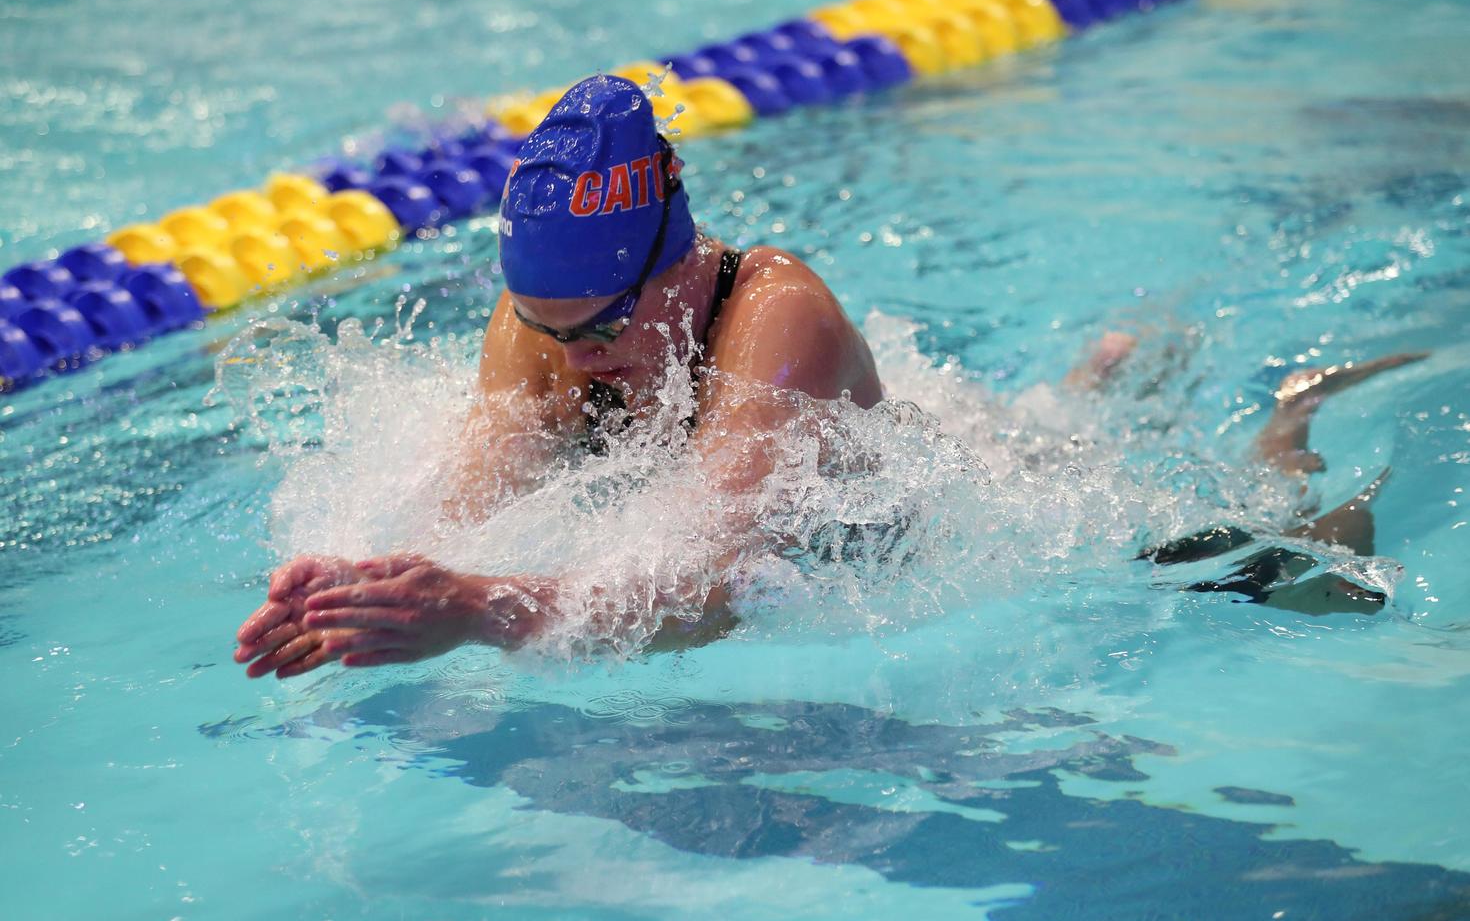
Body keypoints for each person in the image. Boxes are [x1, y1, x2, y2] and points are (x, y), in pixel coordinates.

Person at [233, 75, 1422, 680]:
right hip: (876, 461)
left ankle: (1295, 407)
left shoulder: (774, 315)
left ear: (674, 262)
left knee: (1306, 564)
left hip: (973, 514)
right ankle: (1106, 374)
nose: (572, 355)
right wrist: (359, 594)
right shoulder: (542, 323)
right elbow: (460, 516)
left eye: (599, 327)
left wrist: (477, 612)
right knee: (1077, 412)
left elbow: (704, 590)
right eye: (550, 330)